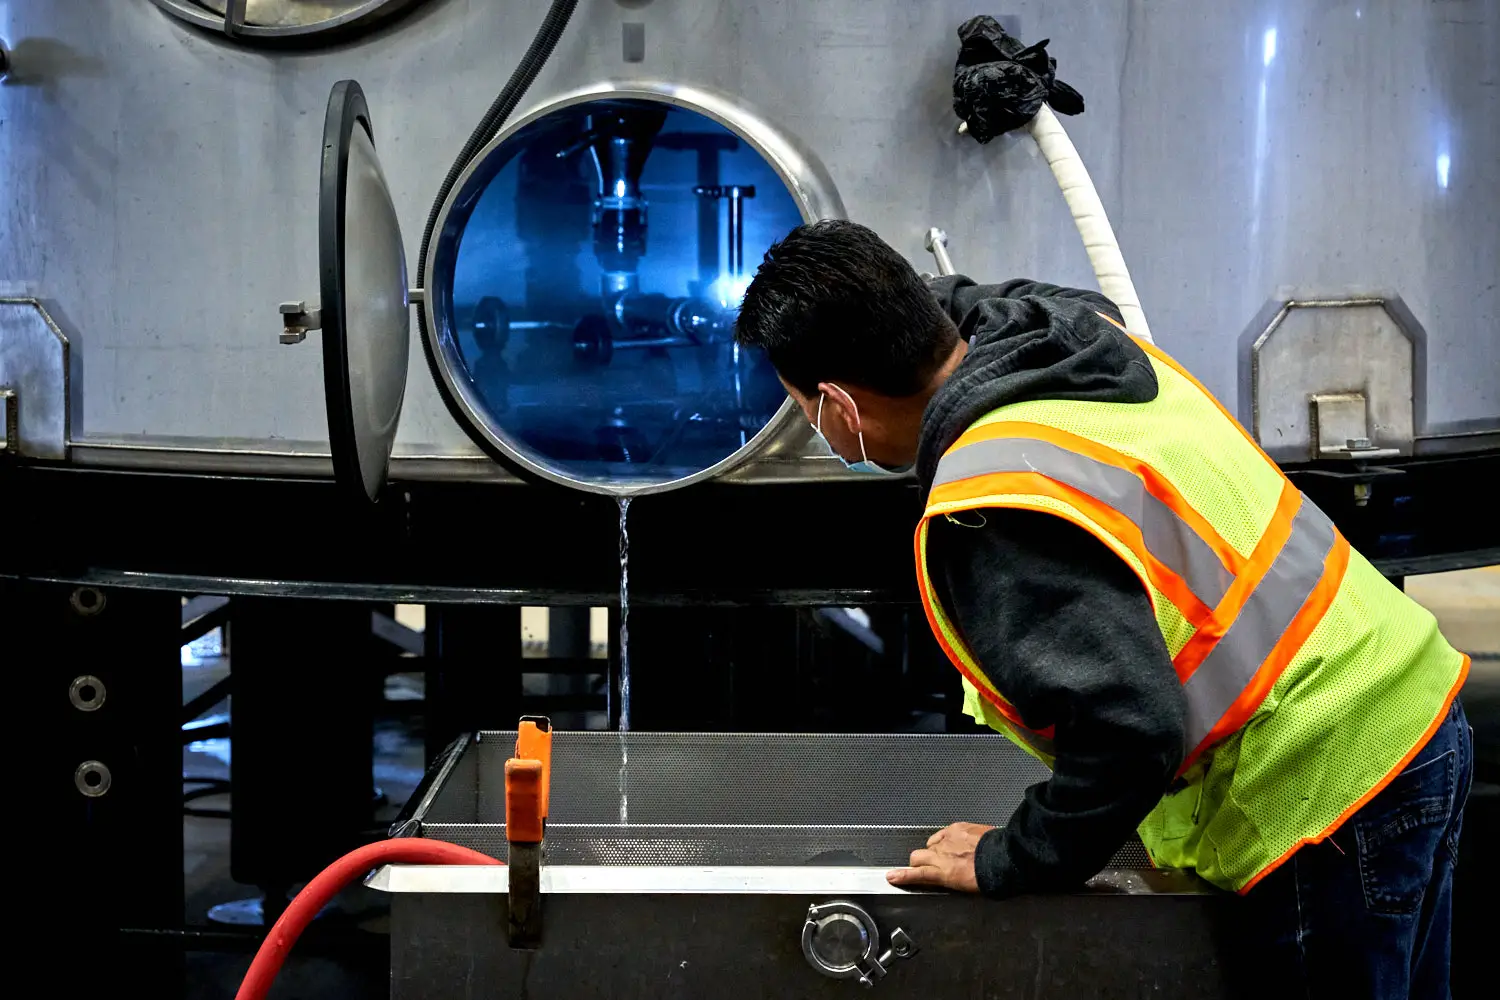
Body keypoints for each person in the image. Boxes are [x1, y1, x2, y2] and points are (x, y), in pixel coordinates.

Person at [734, 219, 1472, 998]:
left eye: (805, 408)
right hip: (1407, 703)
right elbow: (1001, 296)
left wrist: (1012, 859)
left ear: (842, 406)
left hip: (1321, 792)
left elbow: (1130, 733)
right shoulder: (1069, 336)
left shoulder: (994, 504)